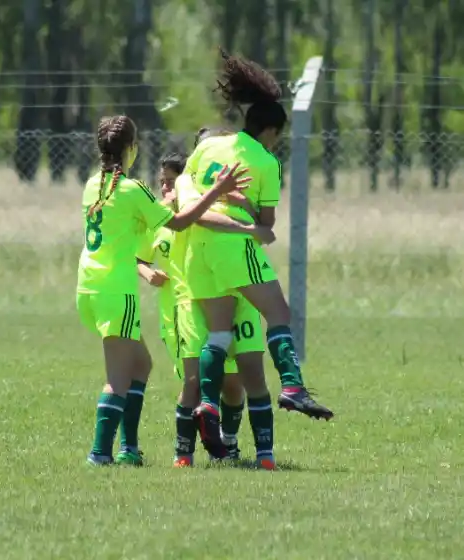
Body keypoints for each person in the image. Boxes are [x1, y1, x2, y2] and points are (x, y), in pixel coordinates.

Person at [183, 50, 334, 458]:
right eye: (278, 136)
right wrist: (248, 215)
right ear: (270, 131)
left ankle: (208, 404)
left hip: (198, 250)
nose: (277, 142)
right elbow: (266, 227)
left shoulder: (209, 148)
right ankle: (292, 386)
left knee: (217, 333)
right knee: (279, 313)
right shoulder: (266, 162)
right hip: (235, 245)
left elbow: (188, 193)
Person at [76, 114, 250, 466]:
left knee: (141, 364)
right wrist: (215, 191)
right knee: (118, 378)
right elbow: (181, 221)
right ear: (131, 149)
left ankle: (128, 449)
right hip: (116, 290)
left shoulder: (92, 184)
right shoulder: (131, 189)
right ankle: (100, 454)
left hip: (88, 287)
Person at [141, 149, 276, 470]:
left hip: (234, 298)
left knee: (235, 381)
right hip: (186, 305)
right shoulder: (160, 217)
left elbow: (263, 228)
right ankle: (183, 453)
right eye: (162, 183)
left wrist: (242, 204)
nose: (166, 190)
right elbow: (139, 255)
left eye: (172, 183)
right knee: (194, 381)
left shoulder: (220, 211)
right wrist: (148, 272)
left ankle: (232, 445)